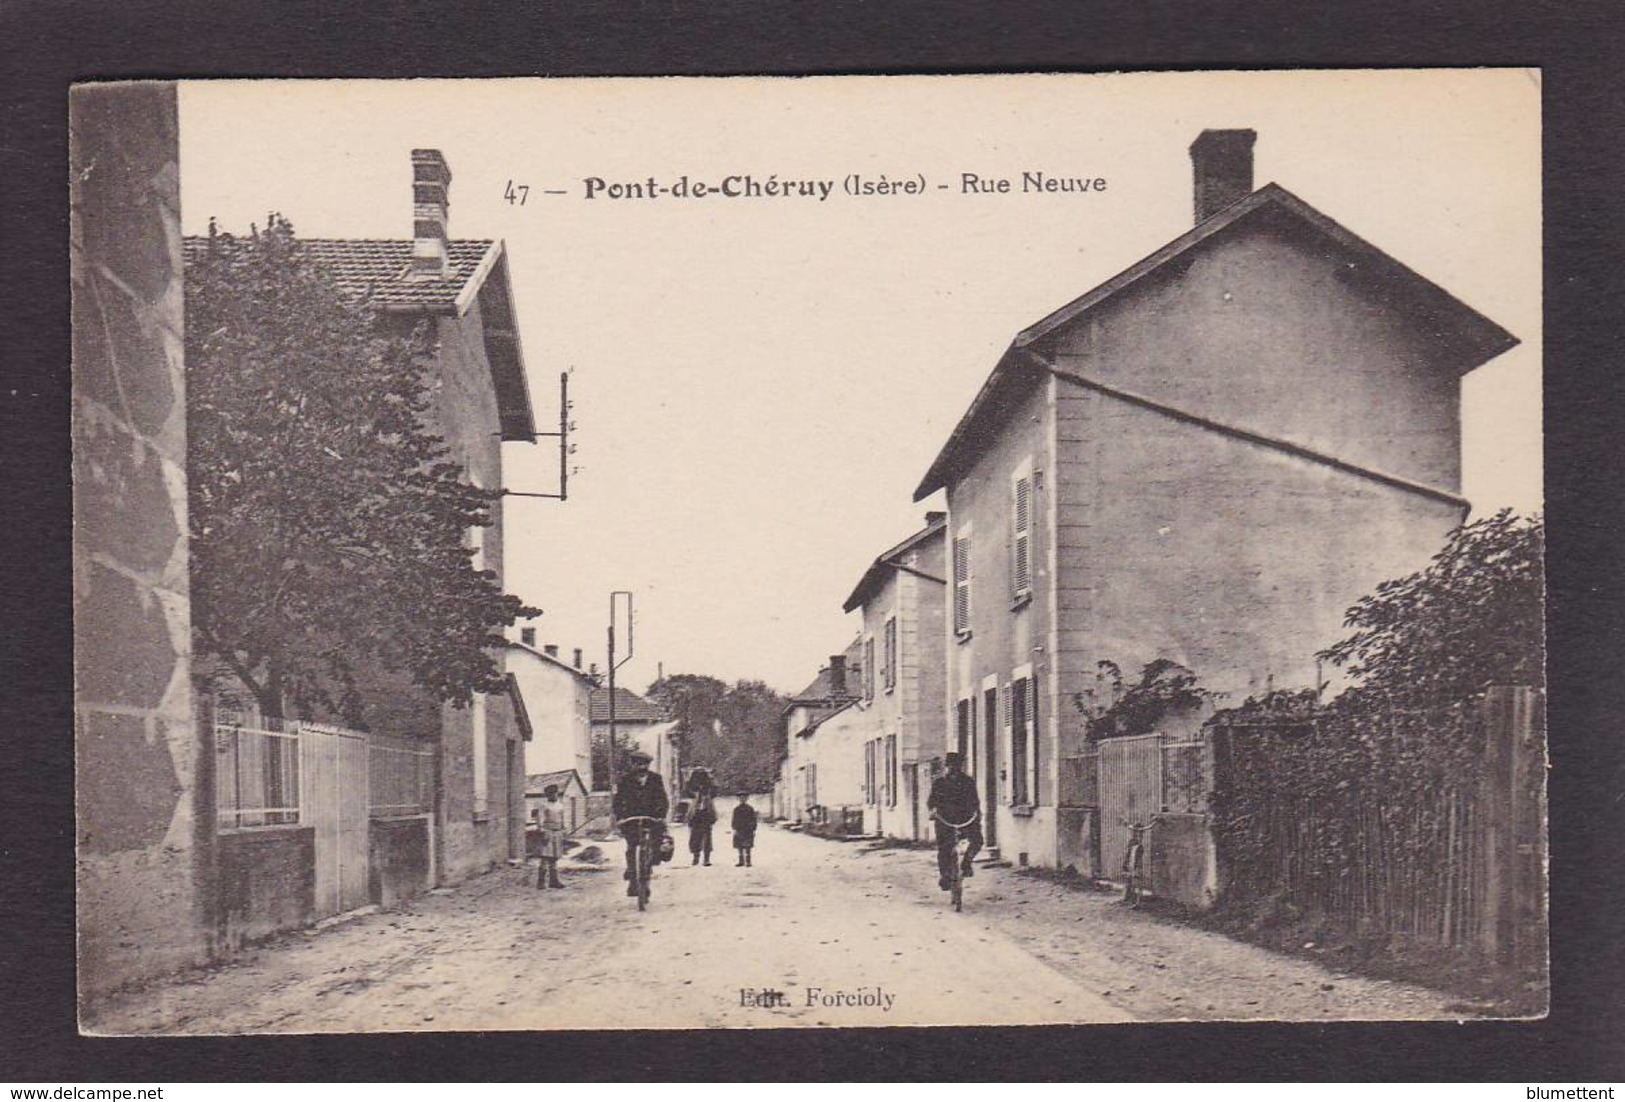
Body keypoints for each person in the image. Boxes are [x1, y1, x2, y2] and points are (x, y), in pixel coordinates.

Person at [611, 749, 670, 897]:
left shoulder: (656, 779)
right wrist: (620, 817)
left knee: (654, 846)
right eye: (638, 764)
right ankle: (632, 878)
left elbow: (662, 799)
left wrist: (661, 816)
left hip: (651, 818)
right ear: (633, 765)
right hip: (631, 818)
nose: (641, 768)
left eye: (644, 764)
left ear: (648, 765)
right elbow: (618, 801)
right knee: (631, 847)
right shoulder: (626, 780)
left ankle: (646, 878)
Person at [926, 752, 983, 891]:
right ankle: (945, 876)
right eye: (951, 766)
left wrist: (977, 812)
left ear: (961, 766)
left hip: (965, 819)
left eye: (957, 766)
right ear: (947, 766)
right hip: (944, 819)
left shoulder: (968, 782)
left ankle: (967, 863)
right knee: (944, 848)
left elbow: (974, 801)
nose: (954, 769)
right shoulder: (939, 783)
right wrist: (933, 810)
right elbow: (931, 801)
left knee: (978, 840)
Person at [535, 784, 566, 890]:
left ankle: (554, 881)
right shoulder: (544, 805)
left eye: (555, 793)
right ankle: (541, 882)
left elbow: (562, 820)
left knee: (554, 858)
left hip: (557, 833)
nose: (553, 795)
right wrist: (542, 831)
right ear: (547, 795)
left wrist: (563, 830)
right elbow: (540, 819)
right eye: (551, 794)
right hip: (547, 832)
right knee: (545, 857)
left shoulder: (560, 805)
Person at [687, 768, 717, 866]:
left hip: (705, 813)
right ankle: (697, 857)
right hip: (697, 813)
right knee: (697, 836)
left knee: (704, 836)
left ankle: (704, 858)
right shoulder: (693, 789)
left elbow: (714, 791)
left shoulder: (708, 789)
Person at [731, 793, 758, 867]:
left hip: (748, 830)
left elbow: (754, 819)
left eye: (744, 798)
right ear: (738, 799)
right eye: (740, 798)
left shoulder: (750, 809)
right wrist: (734, 828)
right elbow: (734, 820)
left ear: (746, 799)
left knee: (747, 846)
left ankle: (748, 861)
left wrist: (753, 828)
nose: (742, 799)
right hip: (739, 829)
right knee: (739, 846)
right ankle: (741, 861)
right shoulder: (736, 809)